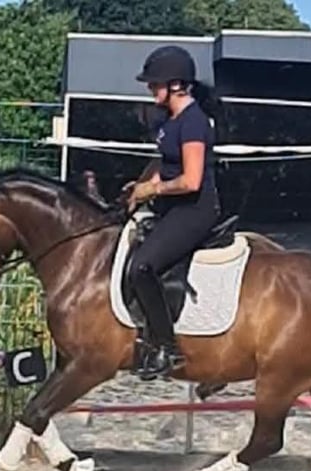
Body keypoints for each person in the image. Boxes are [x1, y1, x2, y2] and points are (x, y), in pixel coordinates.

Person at [126, 45, 221, 380]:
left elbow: (191, 180)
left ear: (176, 85)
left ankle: (167, 347)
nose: (151, 89)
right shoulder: (171, 122)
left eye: (155, 83)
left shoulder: (193, 123)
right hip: (172, 206)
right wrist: (140, 188)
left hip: (194, 209)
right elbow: (166, 166)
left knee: (143, 266)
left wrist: (152, 189)